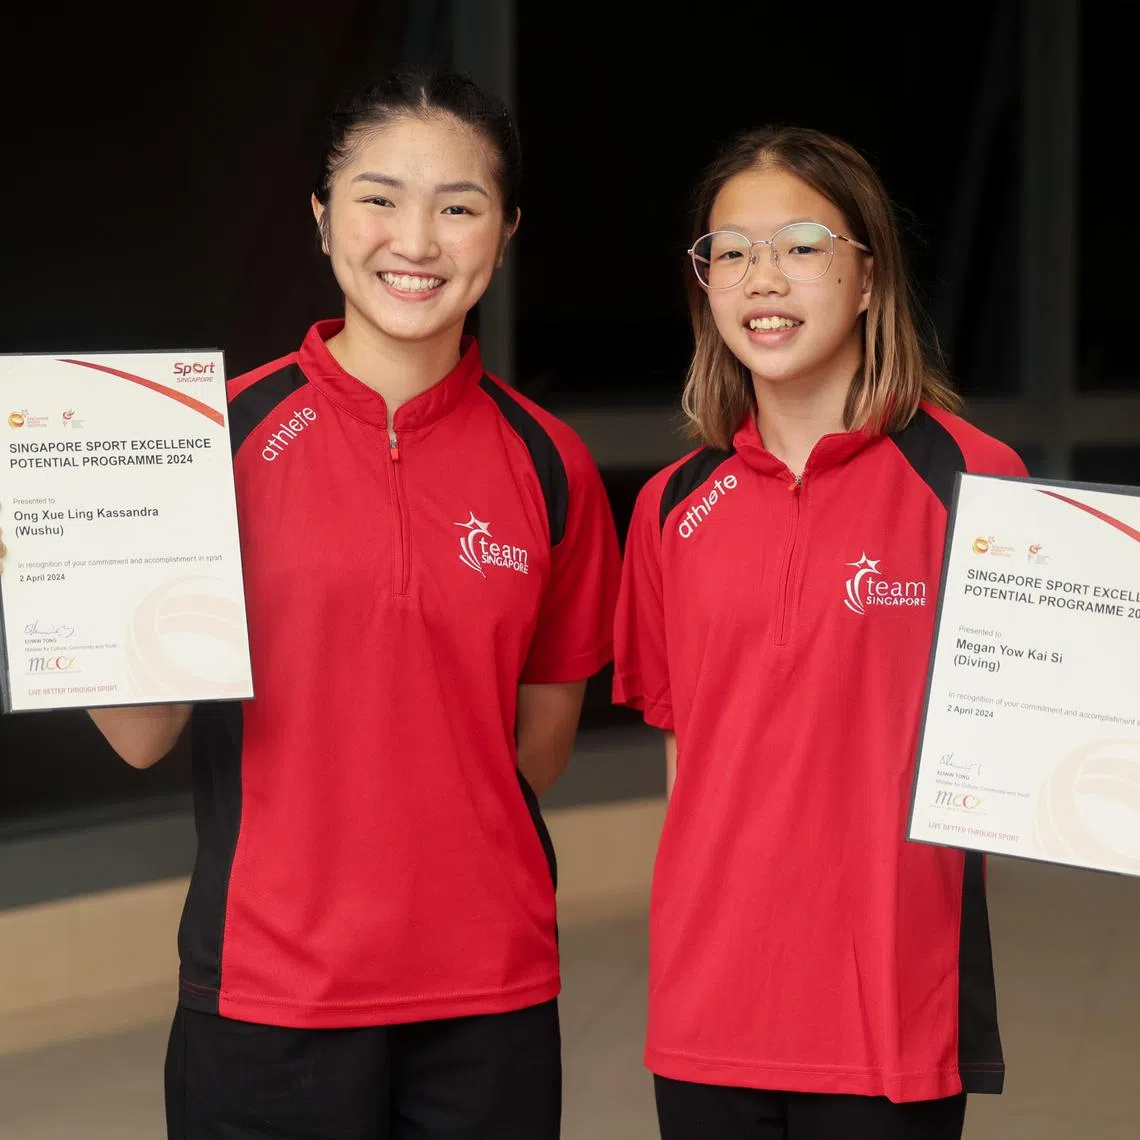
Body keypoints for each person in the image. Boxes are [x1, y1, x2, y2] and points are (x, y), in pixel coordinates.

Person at [0, 70, 620, 1139]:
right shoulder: (206, 446)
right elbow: (146, 739)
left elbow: (540, 751)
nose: (415, 240)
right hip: (268, 995)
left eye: (458, 206)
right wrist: (59, 578)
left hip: (493, 995)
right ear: (322, 216)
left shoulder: (549, 461)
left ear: (505, 230)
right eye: (379, 197)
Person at [612, 126, 1026, 1140]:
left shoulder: (976, 483)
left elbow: (1026, 739)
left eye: (802, 245)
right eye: (732, 251)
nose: (765, 276)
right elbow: (690, 764)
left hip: (889, 1014)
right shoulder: (671, 506)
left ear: (870, 277)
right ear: (704, 286)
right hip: (709, 1014)